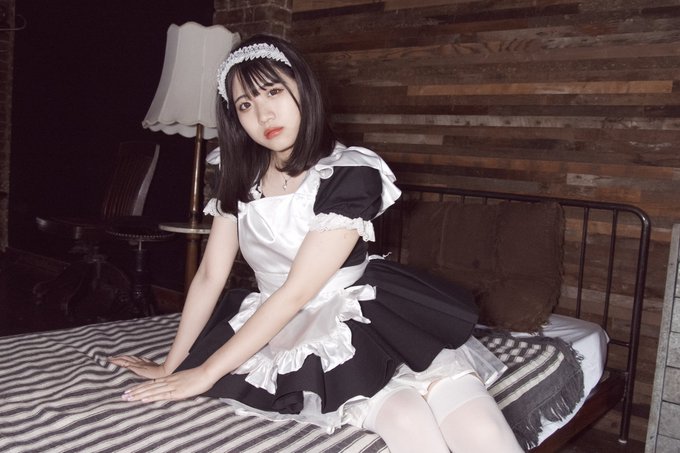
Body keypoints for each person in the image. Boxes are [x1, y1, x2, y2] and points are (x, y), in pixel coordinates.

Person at [110, 35, 523, 453]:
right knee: (410, 424)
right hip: (284, 327)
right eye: (245, 105)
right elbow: (209, 276)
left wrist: (205, 373)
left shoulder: (348, 172)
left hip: (362, 313)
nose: (263, 114)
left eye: (274, 91)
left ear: (303, 89)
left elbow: (298, 290)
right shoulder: (237, 175)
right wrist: (172, 364)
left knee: (482, 429)